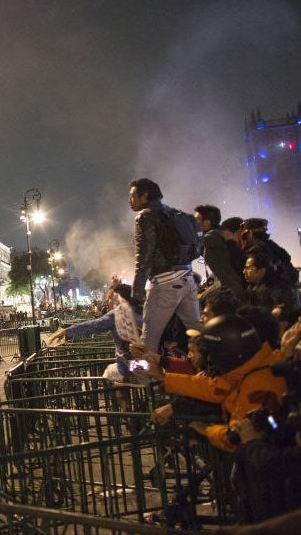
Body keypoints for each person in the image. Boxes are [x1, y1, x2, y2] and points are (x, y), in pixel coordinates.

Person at [135, 314, 286, 452]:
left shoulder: (257, 384)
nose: (210, 361)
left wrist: (207, 431)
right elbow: (213, 387)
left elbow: (236, 437)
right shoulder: (250, 366)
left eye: (213, 356)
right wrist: (162, 376)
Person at [128, 178, 202, 353]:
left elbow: (144, 257)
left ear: (144, 196)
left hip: (164, 284)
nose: (129, 200)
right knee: (198, 334)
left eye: (132, 196)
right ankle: (217, 371)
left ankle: (145, 379)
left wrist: (136, 294)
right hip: (188, 280)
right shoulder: (176, 214)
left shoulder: (145, 217)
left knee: (148, 342)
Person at [193, 204, 244, 297]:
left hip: (229, 291)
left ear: (207, 223)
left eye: (196, 219)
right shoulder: (219, 234)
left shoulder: (211, 237)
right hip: (229, 288)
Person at [243, 246, 299, 310]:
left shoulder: (277, 289)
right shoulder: (252, 287)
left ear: (261, 270)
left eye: (248, 268)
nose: (244, 272)